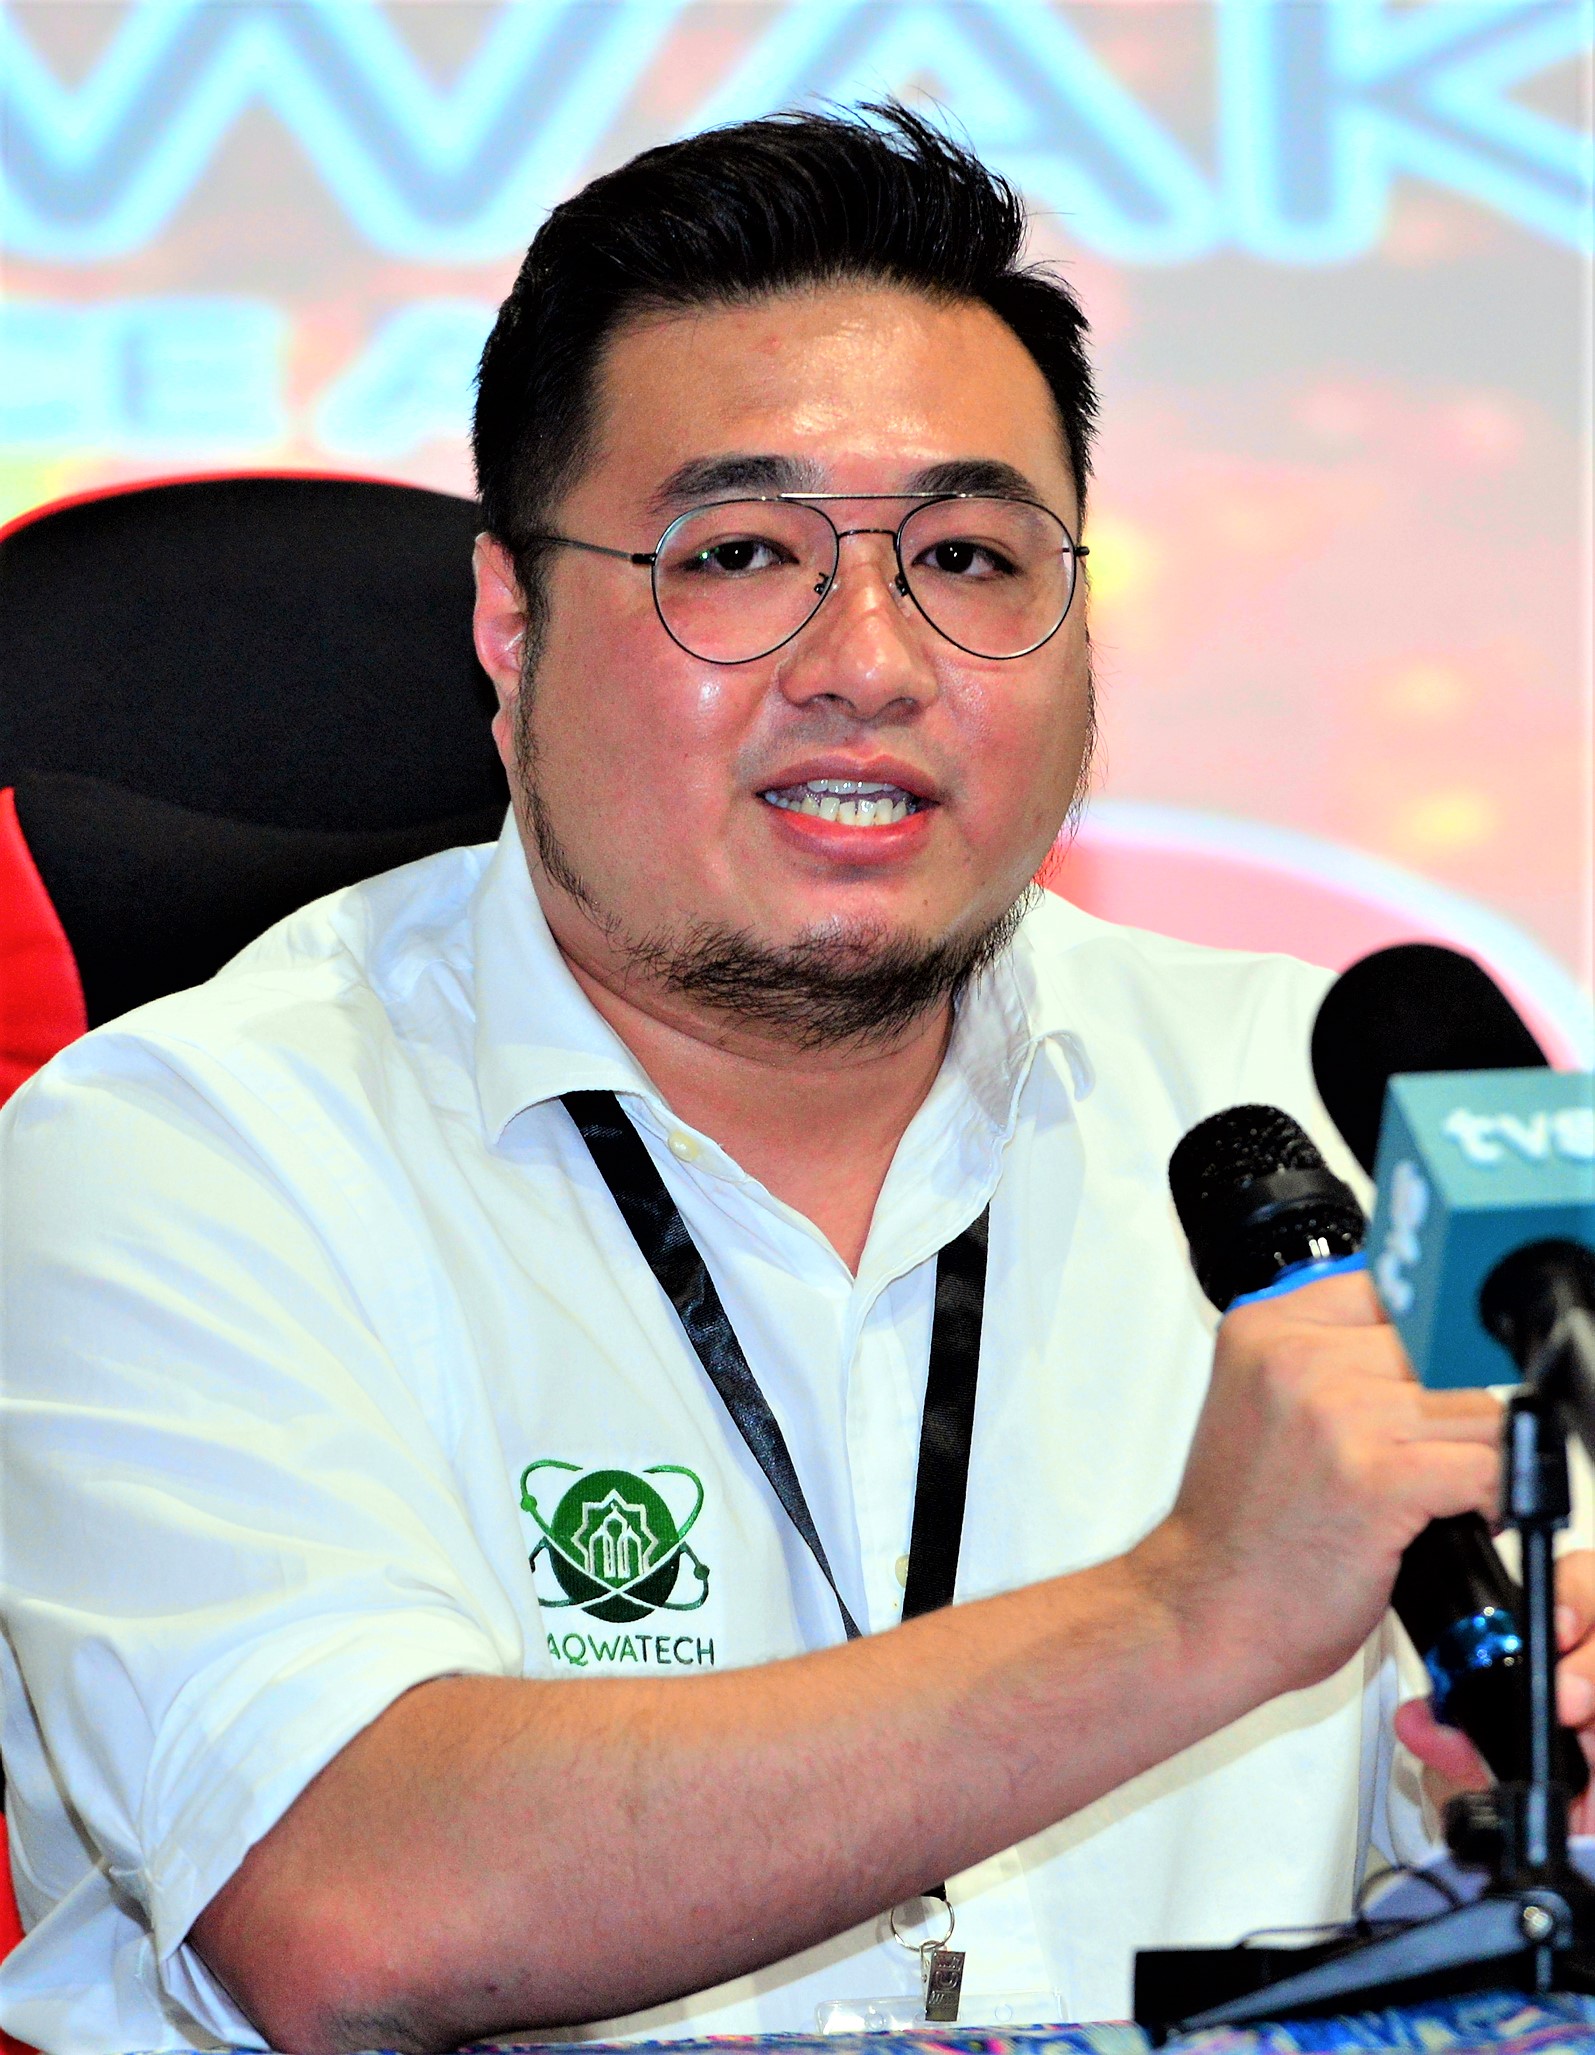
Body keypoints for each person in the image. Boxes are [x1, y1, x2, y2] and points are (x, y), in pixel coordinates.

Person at [2, 103, 1592, 2055]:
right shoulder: (175, 1149)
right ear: (511, 624)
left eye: (969, 557)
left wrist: (1531, 1770)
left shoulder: (1326, 1091)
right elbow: (355, 1909)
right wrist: (1189, 1613)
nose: (872, 660)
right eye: (744, 554)